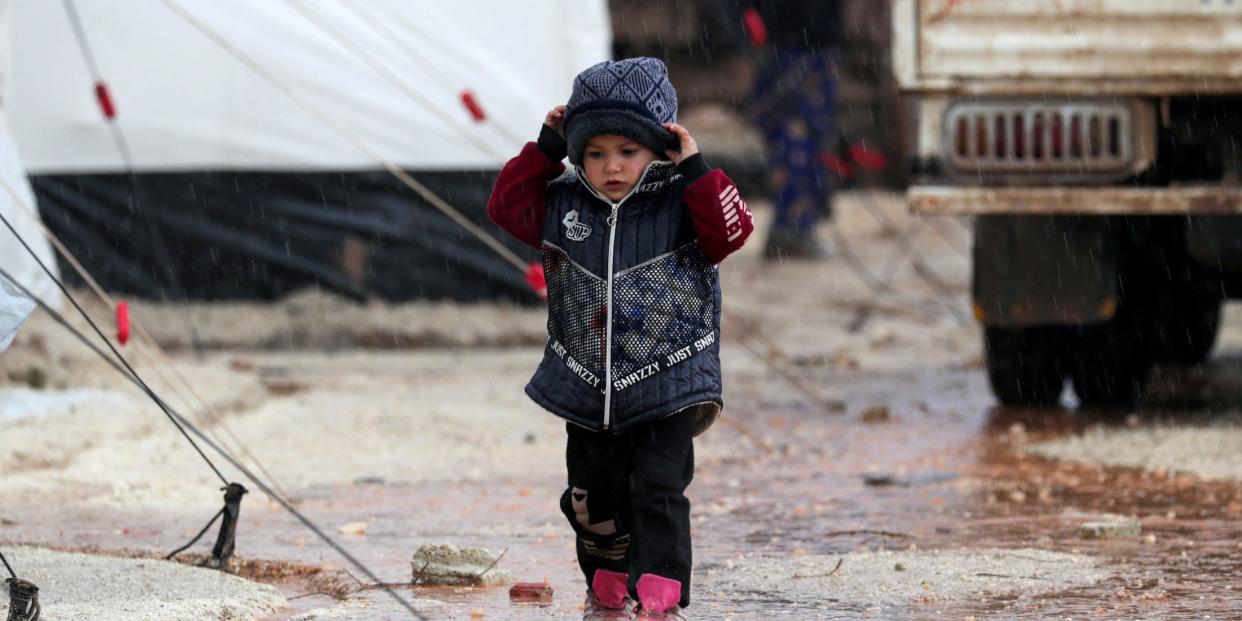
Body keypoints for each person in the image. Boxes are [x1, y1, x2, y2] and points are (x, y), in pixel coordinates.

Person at [487, 57, 753, 621]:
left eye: (627, 152)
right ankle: (605, 570)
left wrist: (697, 168)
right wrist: (544, 148)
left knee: (659, 486)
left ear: (660, 148)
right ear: (577, 154)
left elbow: (732, 232)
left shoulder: (683, 201)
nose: (611, 167)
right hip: (586, 380)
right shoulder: (563, 203)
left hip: (669, 377)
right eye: (595, 153)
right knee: (594, 495)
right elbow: (505, 207)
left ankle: (661, 589)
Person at [743, 0, 842, 260]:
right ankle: (791, 228)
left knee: (806, 139)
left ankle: (796, 226)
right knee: (797, 139)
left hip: (802, 44)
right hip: (794, 45)